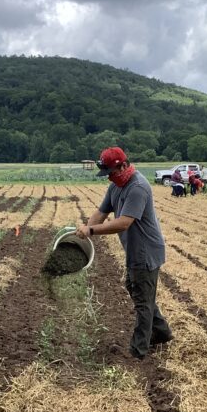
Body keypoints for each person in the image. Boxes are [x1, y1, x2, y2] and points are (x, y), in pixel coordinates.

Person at [76, 146, 172, 360]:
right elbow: (101, 212)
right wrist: (83, 233)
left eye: (111, 172)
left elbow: (123, 223)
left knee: (142, 302)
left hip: (145, 252)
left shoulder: (138, 187)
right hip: (134, 250)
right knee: (138, 291)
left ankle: (138, 351)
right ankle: (163, 332)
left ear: (123, 165)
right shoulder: (116, 186)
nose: (109, 177)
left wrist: (91, 231)